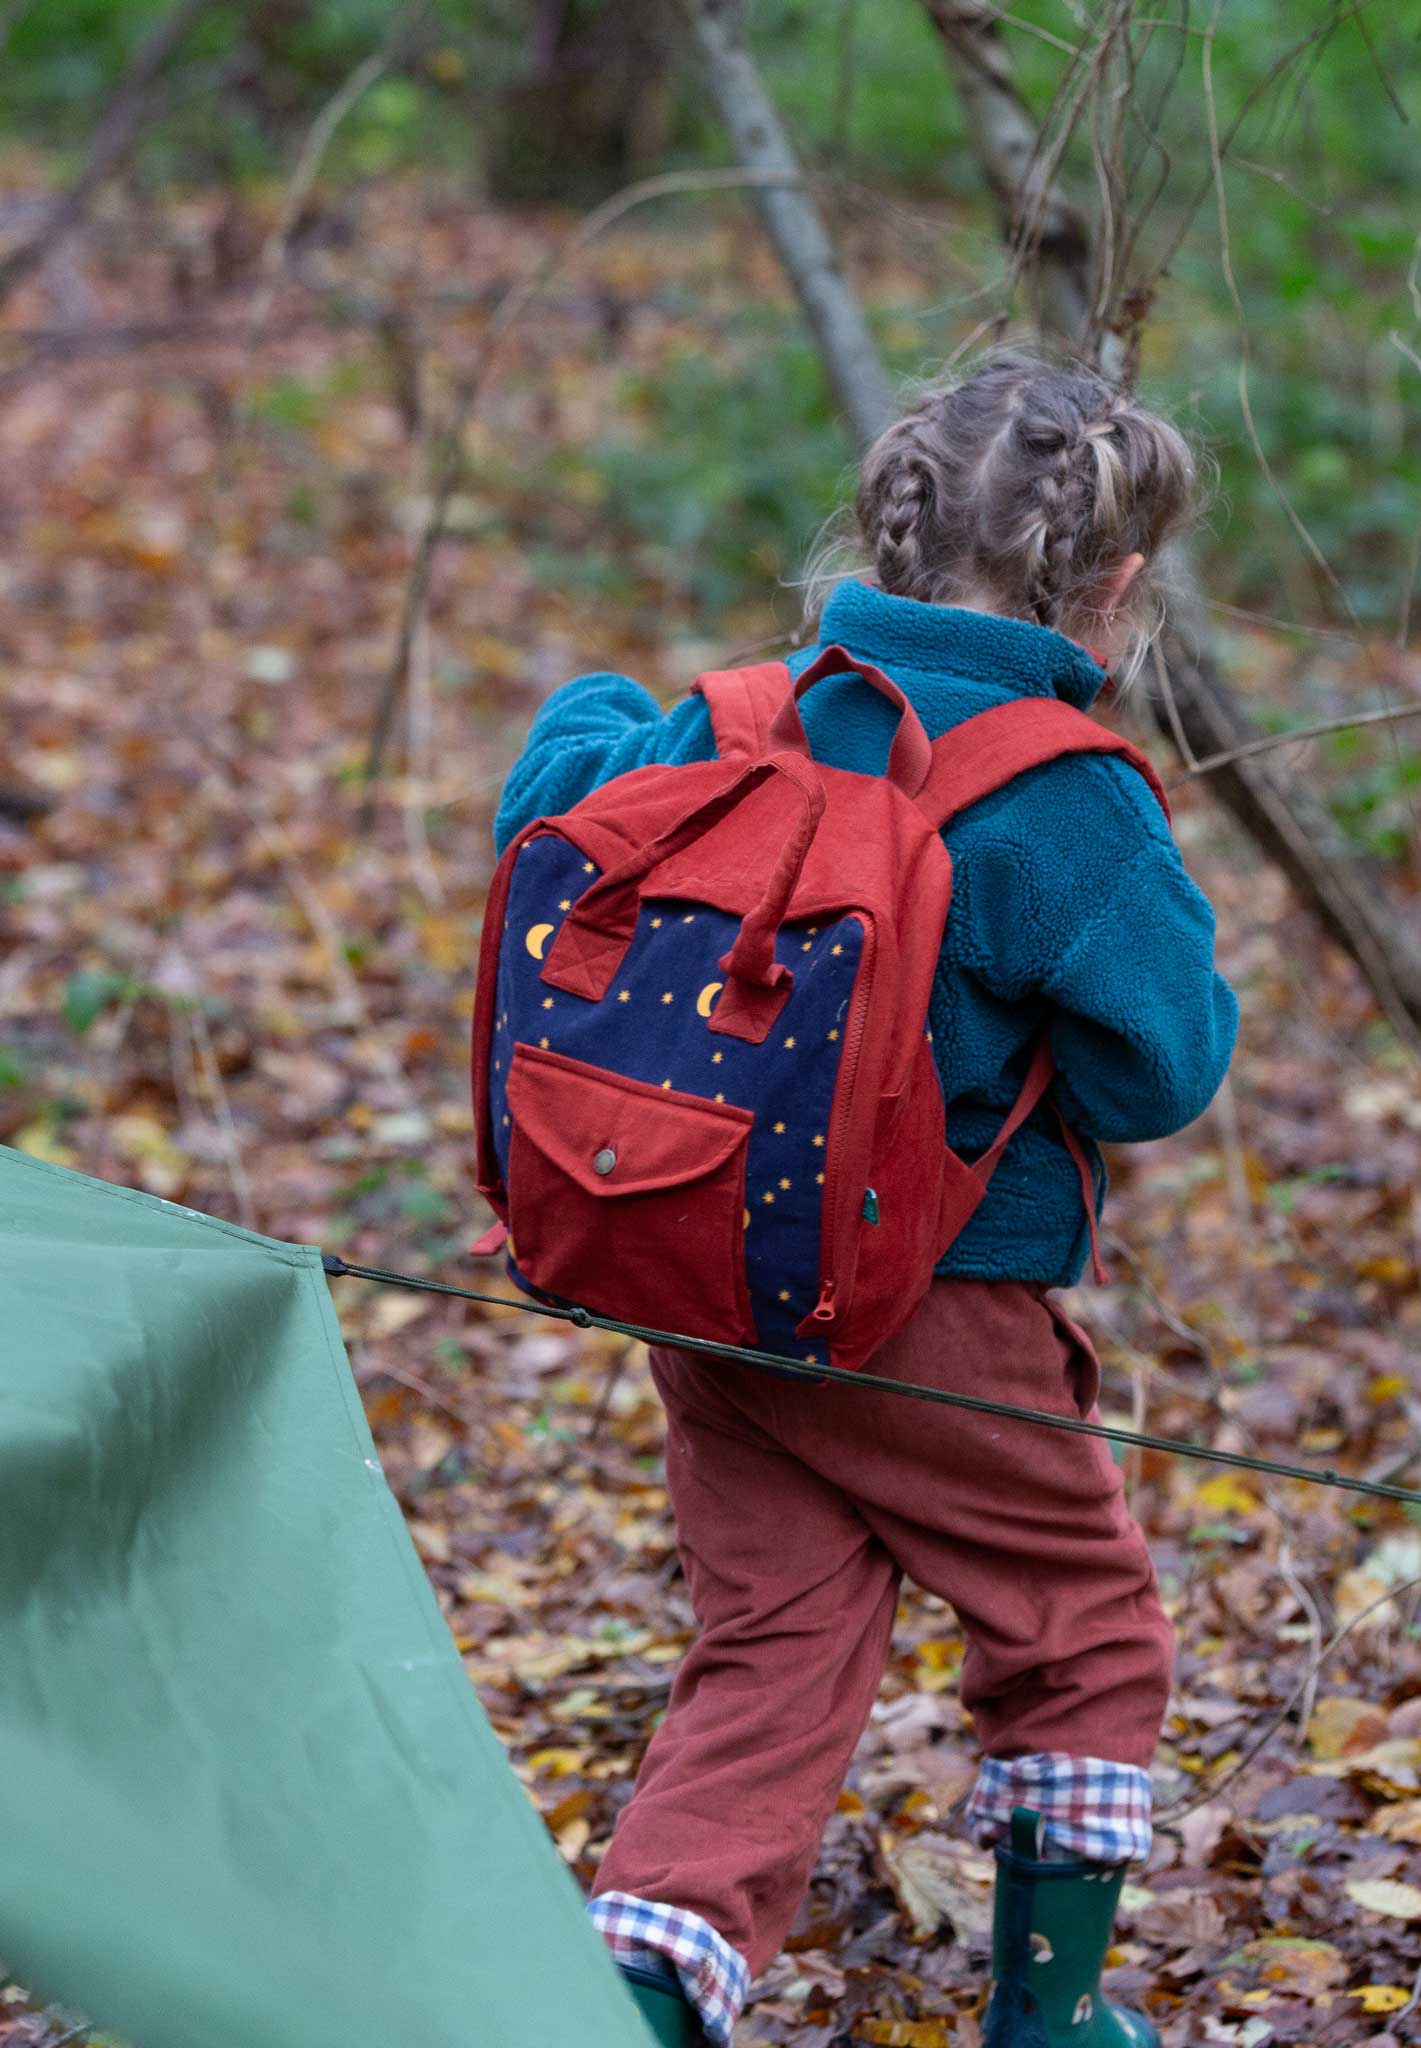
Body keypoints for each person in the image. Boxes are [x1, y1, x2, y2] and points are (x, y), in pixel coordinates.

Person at [494, 352, 1239, 2048]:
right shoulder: (1064, 798)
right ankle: (1052, 2022)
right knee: (1082, 1628)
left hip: (698, 1266)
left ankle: (644, 2005)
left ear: (893, 536)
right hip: (933, 1308)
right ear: (1109, 587)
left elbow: (551, 807)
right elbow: (1160, 1073)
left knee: (771, 1642)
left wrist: (592, 703)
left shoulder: (737, 715)